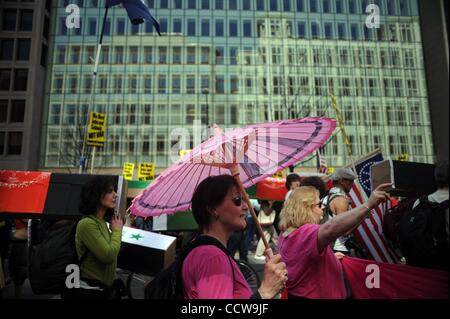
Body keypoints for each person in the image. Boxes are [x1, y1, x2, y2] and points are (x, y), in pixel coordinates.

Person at [182, 175, 287, 299]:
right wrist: (265, 292)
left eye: (244, 200)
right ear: (213, 209)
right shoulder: (213, 257)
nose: (245, 206)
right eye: (237, 200)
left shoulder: (203, 248)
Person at [278, 183, 391, 298]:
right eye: (319, 204)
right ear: (306, 208)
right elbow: (331, 227)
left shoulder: (285, 232)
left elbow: (303, 260)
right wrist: (368, 204)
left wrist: (330, 257)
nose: (323, 207)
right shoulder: (307, 232)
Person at [64, 176, 124, 299]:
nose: (115, 195)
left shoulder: (102, 223)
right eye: (109, 191)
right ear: (96, 195)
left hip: (104, 289)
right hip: (90, 290)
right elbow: (107, 255)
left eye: (114, 191)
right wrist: (117, 231)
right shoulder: (87, 224)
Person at [321, 168, 358, 255]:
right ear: (341, 181)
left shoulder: (327, 197)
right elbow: (345, 231)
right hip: (339, 249)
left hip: (330, 247)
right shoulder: (341, 200)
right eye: (351, 181)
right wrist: (362, 216)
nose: (352, 184)